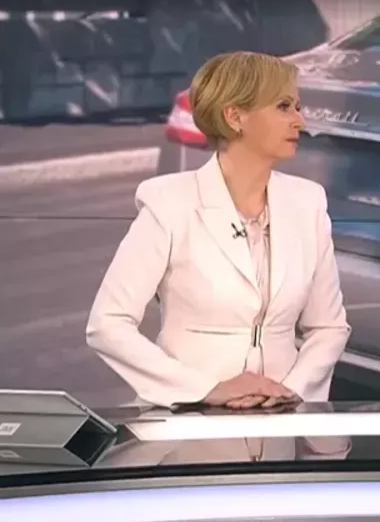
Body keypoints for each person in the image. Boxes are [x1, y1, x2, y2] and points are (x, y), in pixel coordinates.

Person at [86, 51, 351, 409]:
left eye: (298, 107)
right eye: (284, 107)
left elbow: (329, 327)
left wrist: (290, 390)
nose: (299, 121)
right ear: (234, 116)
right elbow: (107, 324)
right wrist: (206, 389)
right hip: (188, 417)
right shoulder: (169, 203)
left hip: (282, 418)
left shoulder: (308, 202)